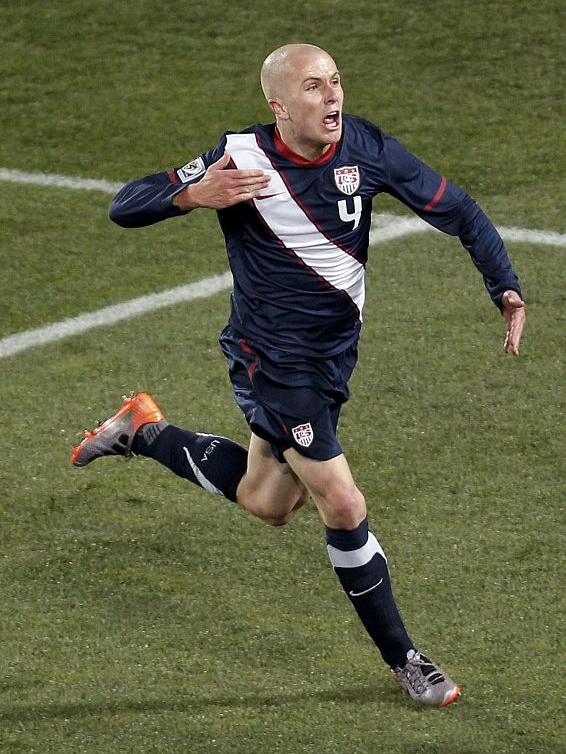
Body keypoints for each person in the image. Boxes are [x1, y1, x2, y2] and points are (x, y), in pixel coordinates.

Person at [71, 43, 526, 707]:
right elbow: (125, 203)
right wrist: (192, 195)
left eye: (337, 82)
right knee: (342, 503)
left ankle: (143, 430)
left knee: (269, 500)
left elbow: (458, 209)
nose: (333, 97)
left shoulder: (365, 150)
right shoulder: (242, 156)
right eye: (314, 87)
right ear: (279, 107)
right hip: (272, 362)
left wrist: (505, 288)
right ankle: (407, 660)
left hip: (331, 359)